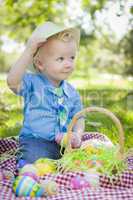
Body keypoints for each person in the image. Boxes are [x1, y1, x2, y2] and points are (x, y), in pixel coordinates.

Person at [7, 21, 85, 164]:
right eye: (60, 59)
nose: (68, 64)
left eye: (72, 57)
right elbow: (12, 82)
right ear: (40, 64)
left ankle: (61, 167)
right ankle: (30, 169)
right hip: (37, 141)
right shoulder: (33, 84)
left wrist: (77, 135)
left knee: (81, 160)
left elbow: (79, 117)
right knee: (35, 159)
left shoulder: (72, 92)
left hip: (65, 145)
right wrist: (29, 51)